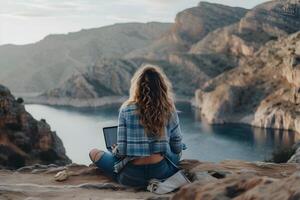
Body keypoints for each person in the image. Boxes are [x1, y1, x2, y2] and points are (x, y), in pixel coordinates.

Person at [89, 64, 184, 188]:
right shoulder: (169, 109)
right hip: (161, 174)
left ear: (137, 87)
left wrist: (115, 150)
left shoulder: (126, 109)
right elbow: (176, 148)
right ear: (162, 87)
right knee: (177, 153)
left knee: (93, 152)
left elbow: (121, 152)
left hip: (131, 177)